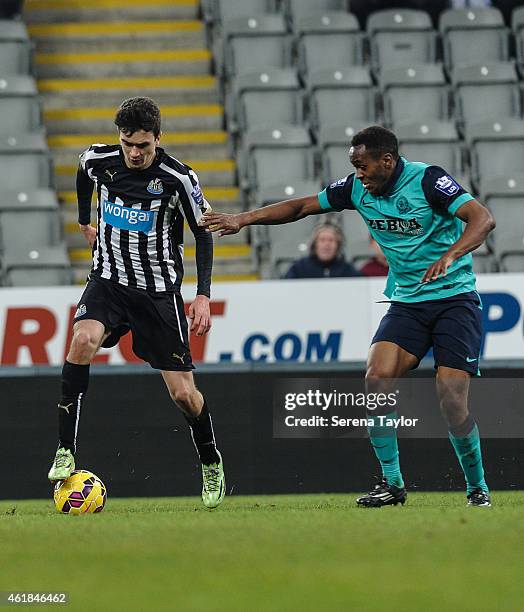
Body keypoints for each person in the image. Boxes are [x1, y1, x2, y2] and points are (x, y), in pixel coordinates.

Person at [201, 125, 495, 508]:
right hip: (408, 301)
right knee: (376, 378)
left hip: (455, 299)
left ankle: (477, 487)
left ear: (387, 161)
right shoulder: (357, 189)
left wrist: (452, 254)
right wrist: (243, 219)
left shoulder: (428, 180)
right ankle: (393, 484)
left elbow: (482, 218)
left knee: (451, 401)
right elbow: (302, 206)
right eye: (354, 166)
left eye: (363, 166)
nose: (358, 174)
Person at [47, 97, 225, 509]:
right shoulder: (99, 160)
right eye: (128, 143)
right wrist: (83, 221)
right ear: (120, 138)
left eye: (143, 145)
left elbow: (203, 232)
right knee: (81, 341)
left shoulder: (179, 178)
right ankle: (65, 450)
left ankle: (210, 458)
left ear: (158, 140)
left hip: (157, 293)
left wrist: (203, 295)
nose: (135, 152)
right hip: (107, 281)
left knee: (183, 394)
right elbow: (82, 174)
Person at [284, 222, 361, 279]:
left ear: (338, 245)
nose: (327, 244)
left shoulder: (347, 269)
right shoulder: (299, 268)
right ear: (315, 244)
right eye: (322, 240)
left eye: (331, 240)